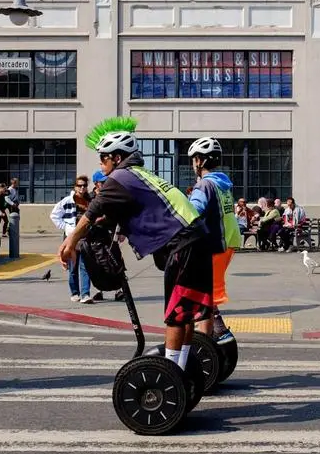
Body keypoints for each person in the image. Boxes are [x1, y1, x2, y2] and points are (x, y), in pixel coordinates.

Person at [58, 124, 211, 370]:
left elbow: (94, 209)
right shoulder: (139, 174)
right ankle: (181, 367)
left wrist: (70, 242)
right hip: (196, 238)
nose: (100, 164)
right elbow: (117, 212)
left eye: (103, 158)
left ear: (117, 158)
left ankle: (171, 372)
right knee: (186, 311)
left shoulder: (120, 177)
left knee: (175, 314)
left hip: (184, 243)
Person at [186, 137, 238, 343]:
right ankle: (215, 334)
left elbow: (192, 214)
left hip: (213, 245)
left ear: (199, 160)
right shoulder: (222, 184)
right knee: (206, 293)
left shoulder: (204, 185)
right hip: (227, 243)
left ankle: (211, 339)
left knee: (202, 295)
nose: (193, 164)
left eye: (193, 160)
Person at [50, 175, 94, 304]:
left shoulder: (90, 201)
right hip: (71, 238)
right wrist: (66, 227)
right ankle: (75, 293)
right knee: (73, 267)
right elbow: (54, 215)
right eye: (79, 185)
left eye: (84, 186)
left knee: (85, 266)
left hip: (85, 237)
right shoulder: (68, 201)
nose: (82, 188)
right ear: (75, 187)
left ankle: (85, 294)